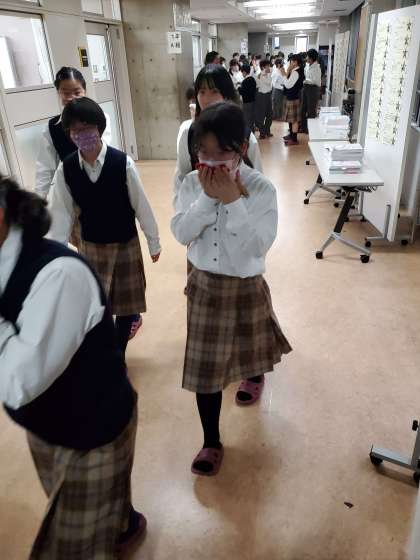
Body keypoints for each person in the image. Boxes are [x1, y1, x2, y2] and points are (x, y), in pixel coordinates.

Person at [0, 175, 145, 558]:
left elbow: (17, 383)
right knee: (68, 497)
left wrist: (154, 240)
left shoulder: (59, 274)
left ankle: (120, 519)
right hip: (44, 423)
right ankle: (125, 521)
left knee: (72, 545)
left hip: (94, 429)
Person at [171, 102, 292, 476]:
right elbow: (182, 233)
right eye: (202, 152)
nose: (209, 162)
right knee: (206, 374)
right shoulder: (191, 184)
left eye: (219, 153)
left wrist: (232, 201)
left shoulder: (261, 189)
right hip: (206, 288)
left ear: (240, 148)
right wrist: (208, 199)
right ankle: (211, 441)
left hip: (245, 286)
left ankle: (253, 375)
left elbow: (256, 248)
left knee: (248, 355)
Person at [48, 98, 161, 361]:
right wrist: (56, 254)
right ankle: (106, 351)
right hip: (91, 246)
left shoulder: (123, 163)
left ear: (99, 127)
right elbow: (60, 214)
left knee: (126, 307)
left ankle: (118, 354)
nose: (82, 134)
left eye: (87, 128)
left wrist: (153, 241)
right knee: (96, 306)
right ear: (69, 134)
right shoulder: (66, 169)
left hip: (125, 245)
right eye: (75, 130)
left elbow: (141, 205)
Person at [174, 64, 263, 195]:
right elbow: (180, 180)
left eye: (214, 91)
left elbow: (257, 183)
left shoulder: (245, 136)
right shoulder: (188, 132)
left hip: (238, 202)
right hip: (199, 203)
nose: (207, 99)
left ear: (227, 95)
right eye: (202, 92)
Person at [35, 67, 112, 200]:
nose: (71, 98)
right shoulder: (51, 128)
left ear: (85, 91)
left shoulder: (100, 118)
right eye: (66, 93)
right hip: (70, 187)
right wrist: (39, 200)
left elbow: (104, 152)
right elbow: (45, 167)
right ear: (59, 93)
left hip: (101, 182)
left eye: (77, 92)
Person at [280, 54, 305, 146]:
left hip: (293, 97)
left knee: (294, 120)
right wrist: (287, 72)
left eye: (292, 61)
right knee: (291, 119)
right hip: (292, 96)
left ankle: (294, 139)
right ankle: (291, 135)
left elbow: (288, 85)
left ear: (296, 62)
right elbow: (287, 82)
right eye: (290, 61)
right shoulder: (295, 70)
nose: (290, 63)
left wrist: (283, 74)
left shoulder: (296, 72)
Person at [301, 48, 322, 134]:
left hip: (313, 89)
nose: (306, 58)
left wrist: (305, 80)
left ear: (312, 58)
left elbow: (316, 81)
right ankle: (304, 128)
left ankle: (311, 129)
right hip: (306, 87)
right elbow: (305, 75)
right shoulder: (307, 65)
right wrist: (305, 80)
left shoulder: (317, 68)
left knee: (311, 110)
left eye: (308, 57)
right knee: (303, 109)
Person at [255, 60, 273, 139]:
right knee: (261, 115)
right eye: (267, 66)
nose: (269, 67)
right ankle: (262, 133)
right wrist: (268, 74)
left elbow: (270, 84)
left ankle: (267, 131)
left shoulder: (267, 74)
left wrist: (268, 73)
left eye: (269, 66)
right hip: (262, 96)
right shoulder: (260, 75)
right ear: (263, 67)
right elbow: (268, 82)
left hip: (268, 95)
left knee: (270, 114)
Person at [239, 63, 257, 132]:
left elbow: (242, 92)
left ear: (244, 72)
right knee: (252, 119)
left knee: (247, 119)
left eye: (242, 72)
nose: (242, 74)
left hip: (247, 103)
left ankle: (248, 135)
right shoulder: (253, 79)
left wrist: (238, 88)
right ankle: (252, 133)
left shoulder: (245, 81)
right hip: (253, 102)